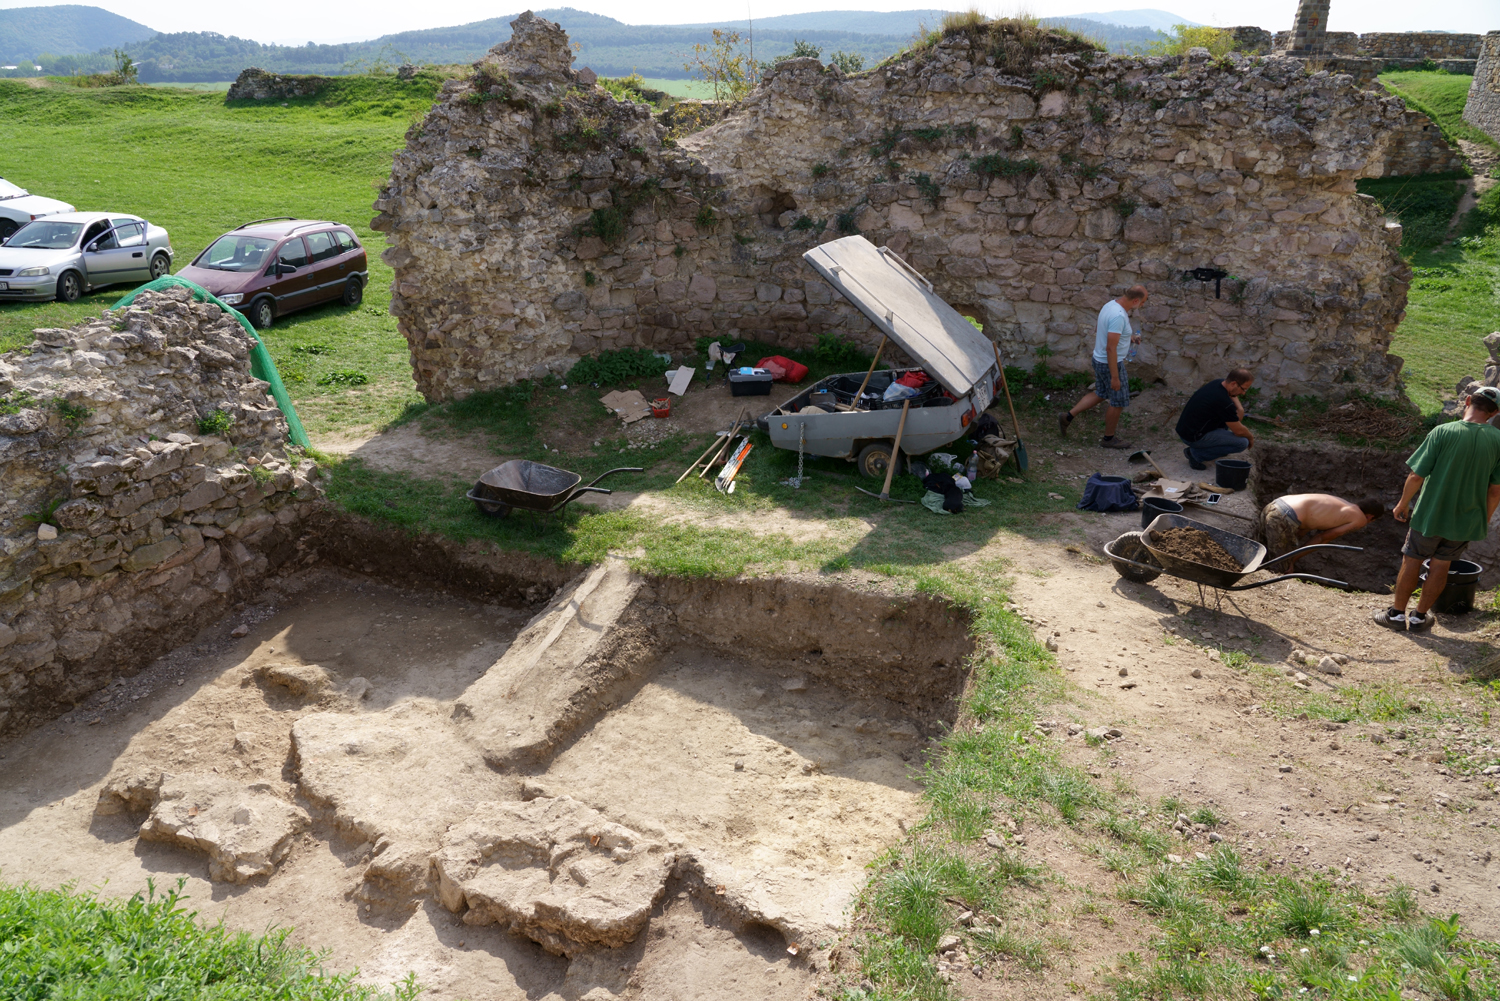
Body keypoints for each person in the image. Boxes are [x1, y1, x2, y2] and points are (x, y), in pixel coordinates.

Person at [1376, 386, 1500, 632]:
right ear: (1495, 412)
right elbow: (1495, 491)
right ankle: (1420, 617)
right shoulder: (1498, 441)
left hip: (1429, 516)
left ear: (1468, 400)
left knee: (1412, 560)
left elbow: (1416, 475)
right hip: (1465, 520)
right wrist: (1483, 520)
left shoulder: (1443, 431)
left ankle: (1396, 615)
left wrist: (1403, 503)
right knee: (1441, 566)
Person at [1058, 285, 1148, 449]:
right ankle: (1108, 439)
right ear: (1136, 300)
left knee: (1101, 393)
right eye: (1143, 302)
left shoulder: (1111, 305)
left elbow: (1109, 332)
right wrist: (1115, 377)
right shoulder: (1118, 315)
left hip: (1099, 360)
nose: (1143, 305)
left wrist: (1129, 338)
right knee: (1118, 401)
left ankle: (1067, 417)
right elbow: (1111, 348)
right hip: (1110, 363)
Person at [1258, 494, 1385, 567]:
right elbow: (1322, 538)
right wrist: (1291, 561)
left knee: (1261, 554)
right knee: (1279, 568)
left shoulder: (1341, 505)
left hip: (1273, 506)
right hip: (1284, 517)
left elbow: (1305, 526)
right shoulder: (1360, 519)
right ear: (1370, 517)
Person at [1176, 368, 1255, 471]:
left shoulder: (1218, 383)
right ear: (1233, 383)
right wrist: (1250, 437)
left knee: (1229, 421)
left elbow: (1236, 413)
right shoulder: (1223, 401)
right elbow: (1239, 431)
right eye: (1243, 389)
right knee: (1242, 443)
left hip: (1185, 429)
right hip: (1193, 437)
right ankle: (1195, 454)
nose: (1243, 393)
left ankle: (1211, 448)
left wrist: (1240, 409)